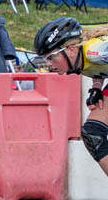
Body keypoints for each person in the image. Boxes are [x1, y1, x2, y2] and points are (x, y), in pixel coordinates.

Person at [35, 16, 108, 177]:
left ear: (71, 50)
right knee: (93, 133)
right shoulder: (81, 59)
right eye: (44, 59)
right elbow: (100, 68)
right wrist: (97, 87)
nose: (48, 64)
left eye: (51, 57)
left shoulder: (95, 52)